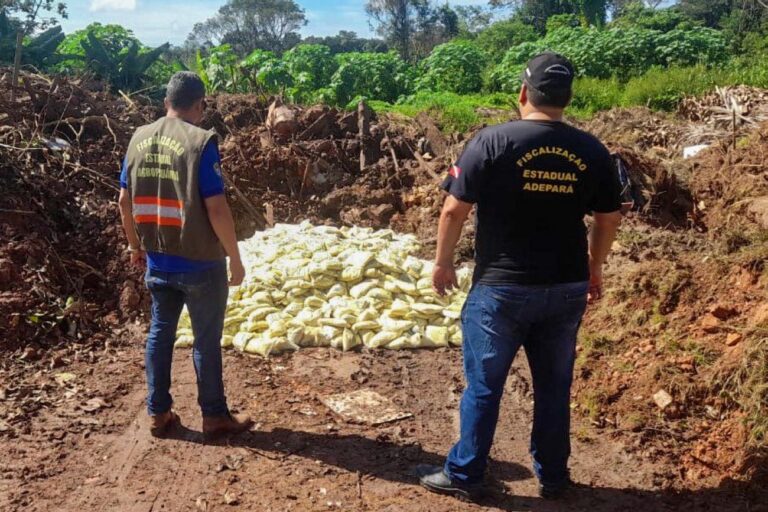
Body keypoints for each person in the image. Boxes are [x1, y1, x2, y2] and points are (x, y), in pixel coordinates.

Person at [415, 52, 623, 501]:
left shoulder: (491, 141)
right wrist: (594, 267)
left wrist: (442, 262)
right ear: (567, 98)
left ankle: (466, 475)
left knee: (486, 386)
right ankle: (554, 477)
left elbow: (454, 209)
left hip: (501, 290)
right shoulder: (593, 150)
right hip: (566, 287)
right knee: (553, 387)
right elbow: (608, 219)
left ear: (523, 93)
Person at [118, 72, 253, 438]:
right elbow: (217, 208)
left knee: (160, 335)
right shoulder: (201, 141)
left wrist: (134, 246)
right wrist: (235, 257)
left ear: (166, 102)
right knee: (205, 340)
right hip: (201, 263)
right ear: (199, 105)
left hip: (158, 260)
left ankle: (158, 414)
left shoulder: (137, 139)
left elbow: (123, 201)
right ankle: (214, 416)